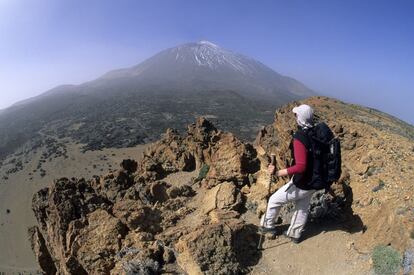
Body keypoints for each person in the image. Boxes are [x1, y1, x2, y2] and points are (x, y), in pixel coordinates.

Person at [261, 104, 316, 243]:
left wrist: (278, 173)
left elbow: (301, 166)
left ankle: (268, 226)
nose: (295, 117)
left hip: (302, 182)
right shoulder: (315, 134)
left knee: (274, 200)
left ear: (301, 118)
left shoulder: (300, 138)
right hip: (315, 181)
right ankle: (294, 234)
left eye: (297, 115)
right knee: (302, 207)